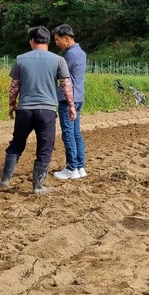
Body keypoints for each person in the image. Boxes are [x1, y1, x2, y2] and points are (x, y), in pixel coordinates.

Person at [0, 26, 77, 194]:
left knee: (16, 143)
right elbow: (66, 85)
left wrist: (12, 104)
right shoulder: (58, 60)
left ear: (32, 41)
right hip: (47, 112)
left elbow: (14, 86)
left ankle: (5, 179)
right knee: (45, 148)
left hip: (24, 110)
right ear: (47, 41)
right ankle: (38, 186)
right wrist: (71, 105)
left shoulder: (20, 59)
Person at [51, 24, 87, 180]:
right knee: (76, 133)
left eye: (58, 40)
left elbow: (60, 74)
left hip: (68, 99)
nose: (56, 43)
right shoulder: (81, 53)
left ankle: (71, 168)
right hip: (78, 97)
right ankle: (80, 167)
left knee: (68, 134)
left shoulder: (70, 55)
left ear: (66, 38)